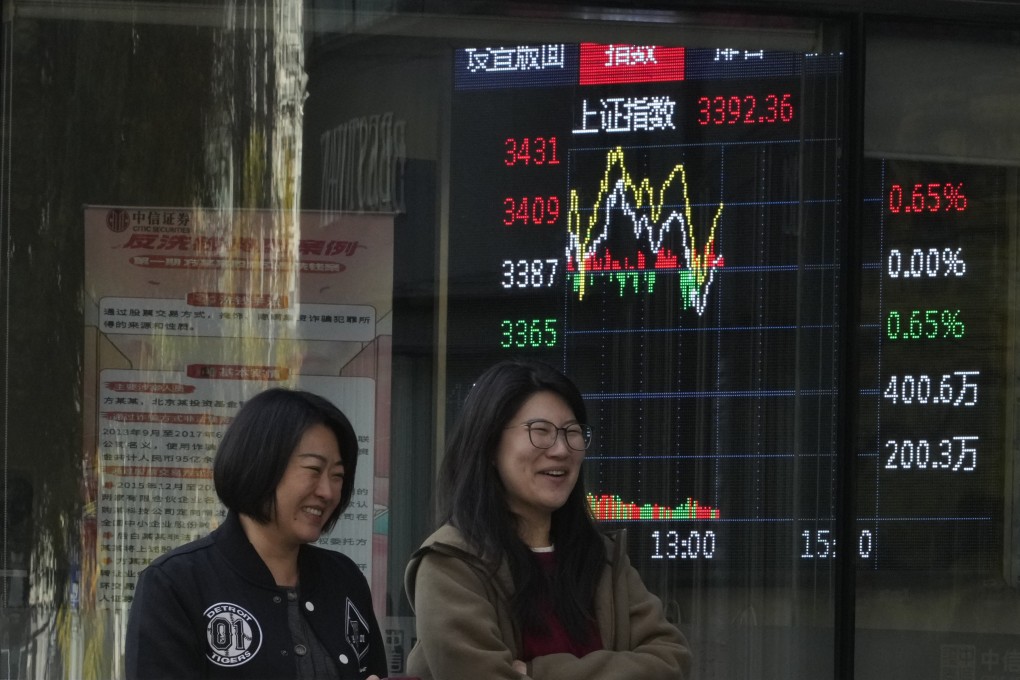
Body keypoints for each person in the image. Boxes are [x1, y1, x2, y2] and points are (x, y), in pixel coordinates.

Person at [404, 359, 692, 679]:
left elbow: (671, 660)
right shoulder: (451, 563)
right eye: (540, 431)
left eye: (572, 433)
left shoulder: (603, 558)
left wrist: (538, 672)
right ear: (489, 445)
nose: (560, 450)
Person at [126, 387, 388, 680]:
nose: (327, 491)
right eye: (313, 469)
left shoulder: (344, 578)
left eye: (337, 476)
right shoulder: (175, 582)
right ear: (260, 464)